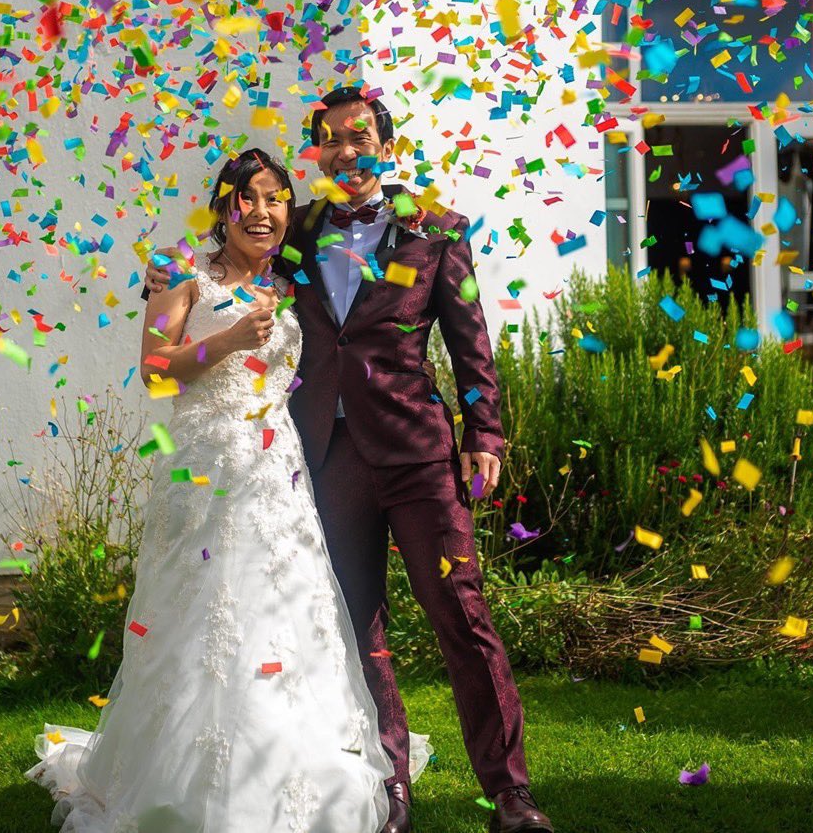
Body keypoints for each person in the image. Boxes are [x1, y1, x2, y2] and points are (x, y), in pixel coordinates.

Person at [145, 87, 554, 833]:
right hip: (325, 462)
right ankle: (388, 787)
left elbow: (470, 341)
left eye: (359, 136)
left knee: (462, 617)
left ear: (384, 144)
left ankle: (511, 793)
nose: (346, 151)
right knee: (358, 632)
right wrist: (167, 279)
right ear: (319, 153)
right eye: (331, 140)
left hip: (418, 456)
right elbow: (220, 260)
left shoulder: (438, 230)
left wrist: (484, 432)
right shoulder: (290, 232)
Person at [25, 148, 433, 833]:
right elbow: (156, 370)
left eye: (276, 198)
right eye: (249, 198)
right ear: (223, 207)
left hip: (279, 479)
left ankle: (290, 761)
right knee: (204, 620)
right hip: (205, 474)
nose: (263, 211)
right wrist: (231, 337)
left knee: (288, 614)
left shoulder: (293, 279)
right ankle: (182, 772)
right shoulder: (182, 274)